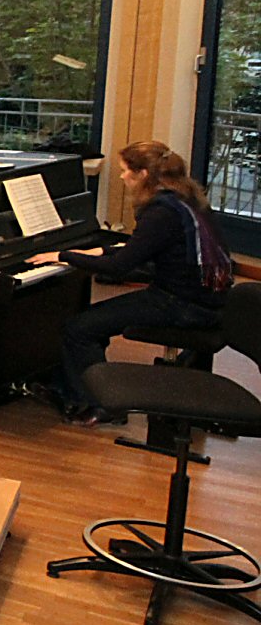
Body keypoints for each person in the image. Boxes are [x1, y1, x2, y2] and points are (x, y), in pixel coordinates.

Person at [32, 141, 234, 426]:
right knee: (95, 321)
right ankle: (75, 386)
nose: (122, 176)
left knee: (79, 328)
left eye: (126, 171)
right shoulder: (187, 200)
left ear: (143, 175)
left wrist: (65, 256)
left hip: (181, 304)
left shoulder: (160, 212)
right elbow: (145, 249)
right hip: (208, 298)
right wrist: (98, 251)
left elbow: (119, 268)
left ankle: (101, 403)